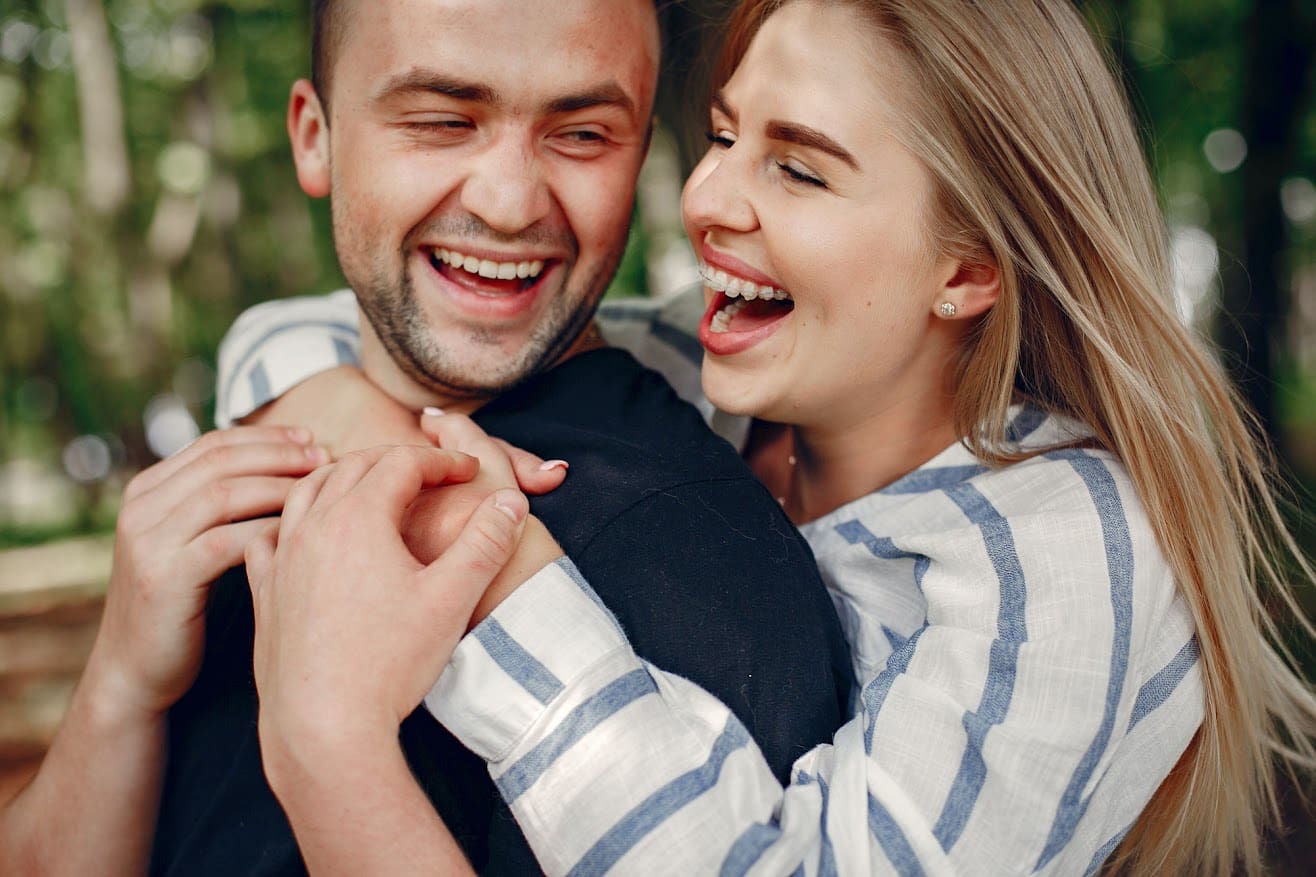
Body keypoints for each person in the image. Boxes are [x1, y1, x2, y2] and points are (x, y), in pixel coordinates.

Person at [222, 0, 1316, 874]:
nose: (702, 198)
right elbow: (298, 332)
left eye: (795, 167)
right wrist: (357, 424)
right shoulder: (689, 378)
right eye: (722, 136)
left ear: (969, 266)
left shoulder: (1059, 549)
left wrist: (478, 533)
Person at [0, 1, 853, 874]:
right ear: (313, 137)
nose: (511, 203)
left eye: (584, 134)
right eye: (443, 122)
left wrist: (326, 747)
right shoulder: (259, 458)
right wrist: (121, 688)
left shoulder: (690, 561)